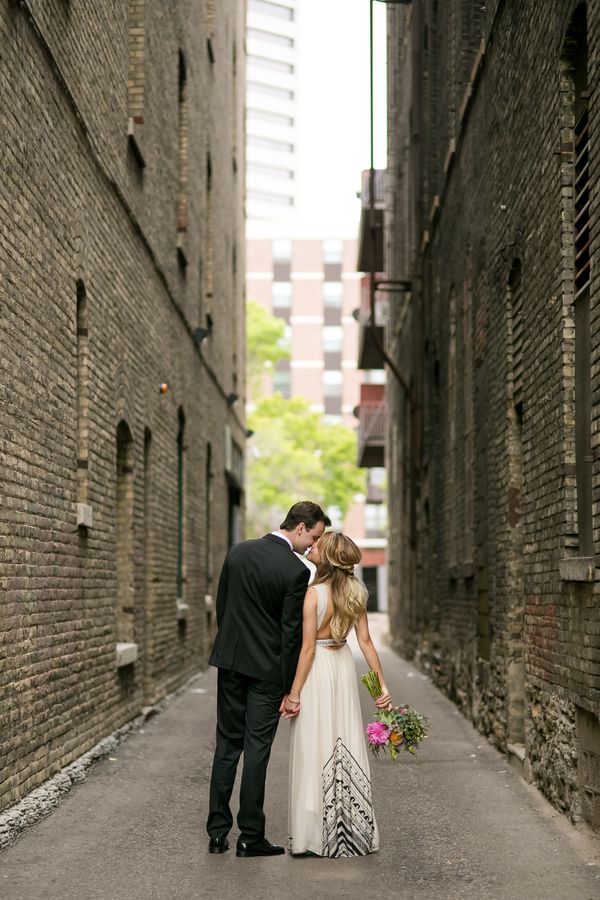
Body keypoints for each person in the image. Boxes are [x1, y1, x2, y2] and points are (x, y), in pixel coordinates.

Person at [206, 501, 331, 858]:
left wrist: (230, 648)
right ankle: (250, 836)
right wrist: (292, 687)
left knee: (227, 746)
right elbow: (290, 633)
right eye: (314, 537)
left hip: (230, 662)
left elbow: (223, 606)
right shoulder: (295, 570)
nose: (312, 546)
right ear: (301, 526)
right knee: (257, 750)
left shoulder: (238, 552)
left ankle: (217, 833)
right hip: (267, 671)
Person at [283, 531, 391, 858]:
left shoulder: (313, 594)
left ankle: (311, 836)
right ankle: (352, 831)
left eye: (318, 547)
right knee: (343, 740)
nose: (312, 548)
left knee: (312, 744)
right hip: (342, 665)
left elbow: (306, 650)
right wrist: (382, 686)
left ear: (328, 558)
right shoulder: (357, 591)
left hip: (317, 668)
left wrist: (294, 693)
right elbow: (367, 642)